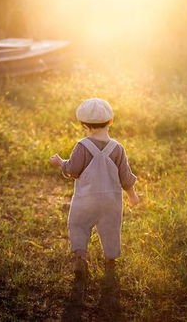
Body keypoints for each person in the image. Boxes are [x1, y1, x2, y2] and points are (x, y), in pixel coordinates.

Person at [50, 98, 139, 280]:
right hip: (111, 201)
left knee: (79, 225)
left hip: (86, 200)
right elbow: (125, 176)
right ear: (111, 121)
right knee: (111, 229)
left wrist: (61, 162)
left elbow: (73, 171)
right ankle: (110, 261)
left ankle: (81, 257)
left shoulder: (83, 146)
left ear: (84, 125)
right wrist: (132, 196)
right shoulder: (117, 148)